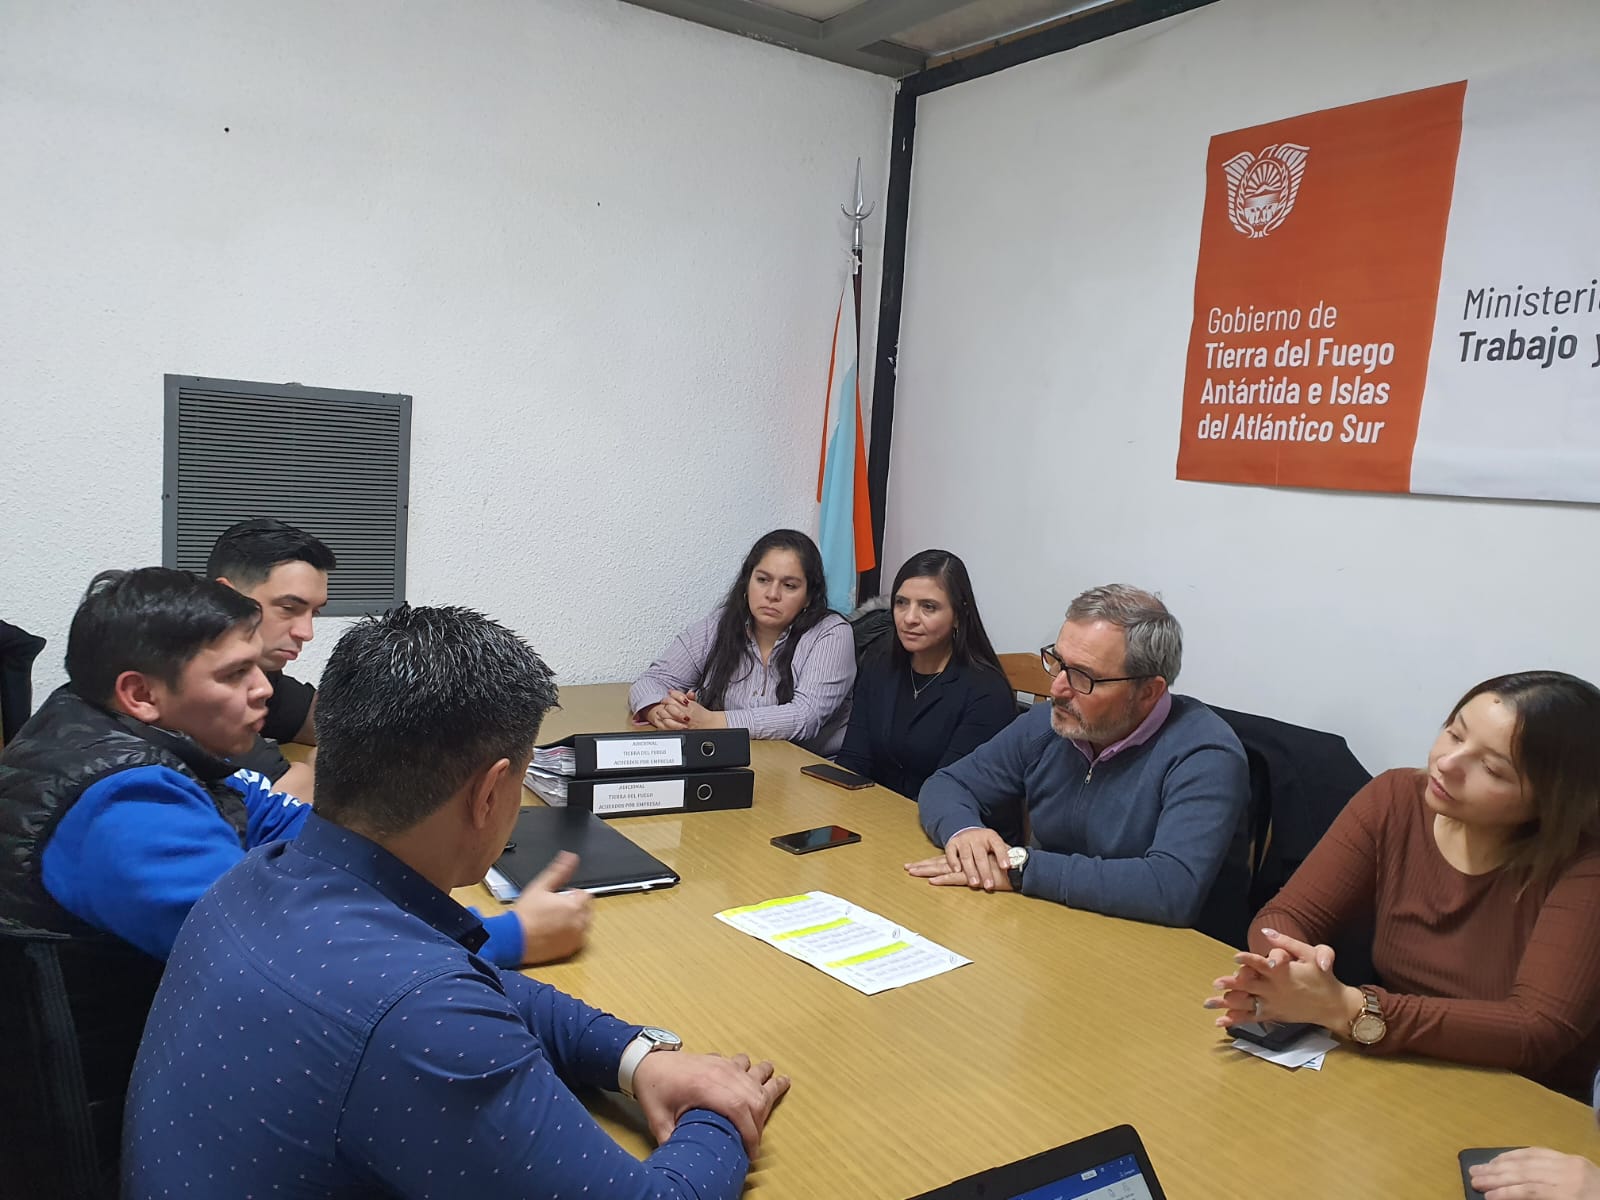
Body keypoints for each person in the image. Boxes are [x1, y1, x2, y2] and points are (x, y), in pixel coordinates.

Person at [124, 605, 790, 1199]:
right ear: (490, 792)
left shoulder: (259, 875)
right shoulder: (419, 1014)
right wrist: (720, 1109)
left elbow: (479, 980)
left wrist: (639, 1059)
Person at [1205, 671, 1600, 1098]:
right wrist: (1289, 970)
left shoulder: (1585, 866)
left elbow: (1535, 1029)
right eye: (1454, 733)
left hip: (1525, 1103)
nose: (1447, 763)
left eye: (1490, 767)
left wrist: (1352, 1009)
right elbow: (1288, 916)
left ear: (1554, 798)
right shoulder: (1396, 798)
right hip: (1402, 1073)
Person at [907, 584, 1248, 927]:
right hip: (1053, 923)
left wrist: (1020, 867)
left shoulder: (1205, 755)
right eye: (1058, 662)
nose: (1057, 689)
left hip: (1158, 953)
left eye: (1083, 676)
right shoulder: (1050, 724)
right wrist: (964, 833)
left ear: (1148, 692)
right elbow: (948, 784)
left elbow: (1171, 888)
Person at [630, 529, 856, 757]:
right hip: (734, 760)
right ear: (747, 584)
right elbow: (654, 679)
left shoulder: (831, 633)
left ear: (808, 596)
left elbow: (805, 716)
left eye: (789, 586)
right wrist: (659, 711)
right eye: (763, 580)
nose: (772, 594)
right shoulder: (720, 624)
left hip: (809, 771)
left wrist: (711, 721)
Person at [834, 549, 1016, 798]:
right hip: (879, 814)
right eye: (901, 603)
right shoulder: (879, 664)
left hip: (952, 824)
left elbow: (951, 792)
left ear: (958, 616)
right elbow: (853, 760)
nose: (909, 618)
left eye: (928, 607)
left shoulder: (987, 692)